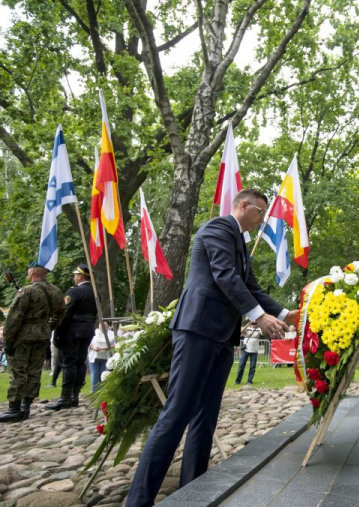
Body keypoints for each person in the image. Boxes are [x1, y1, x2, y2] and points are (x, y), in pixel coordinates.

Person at [125, 189, 299, 507]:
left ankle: (194, 492)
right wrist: (260, 318)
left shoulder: (241, 243)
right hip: (197, 329)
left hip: (222, 336)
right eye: (260, 212)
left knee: (206, 417)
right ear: (244, 206)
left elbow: (249, 285)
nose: (262, 220)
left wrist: (287, 314)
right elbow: (224, 276)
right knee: (176, 413)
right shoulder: (218, 228)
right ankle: (138, 500)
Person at [0, 262, 65, 423]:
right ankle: (26, 406)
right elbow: (61, 313)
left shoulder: (28, 291)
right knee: (34, 371)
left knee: (18, 371)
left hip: (24, 336)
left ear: (33, 273)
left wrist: (7, 340)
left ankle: (14, 409)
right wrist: (48, 326)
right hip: (42, 335)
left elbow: (14, 317)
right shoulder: (56, 291)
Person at [46, 264, 98, 411]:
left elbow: (64, 313)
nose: (74, 277)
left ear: (80, 277)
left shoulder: (75, 292)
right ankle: (74, 396)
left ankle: (65, 397)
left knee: (69, 363)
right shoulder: (95, 293)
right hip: (87, 330)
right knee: (80, 362)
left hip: (72, 331)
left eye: (75, 275)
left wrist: (58, 334)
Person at [88, 321, 115, 393]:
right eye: (101, 325)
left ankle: (101, 392)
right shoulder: (94, 333)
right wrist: (93, 347)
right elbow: (88, 343)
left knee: (102, 375)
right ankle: (93, 391)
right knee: (94, 375)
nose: (103, 327)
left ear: (108, 326)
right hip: (94, 357)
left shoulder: (111, 334)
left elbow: (115, 344)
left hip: (105, 357)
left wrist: (107, 347)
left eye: (105, 325)